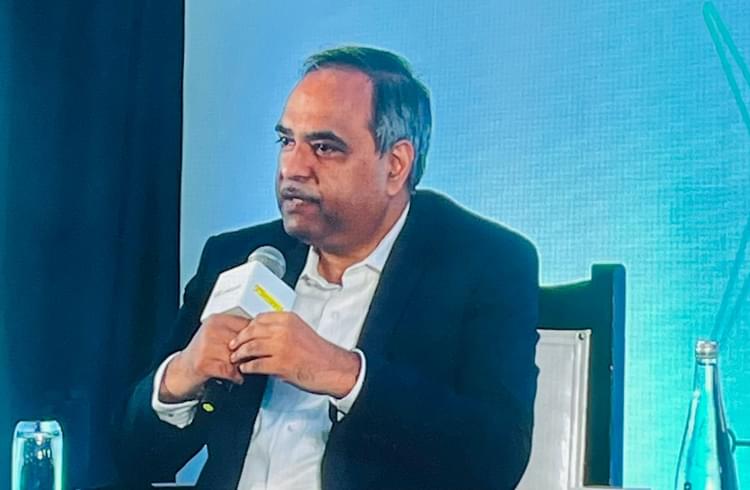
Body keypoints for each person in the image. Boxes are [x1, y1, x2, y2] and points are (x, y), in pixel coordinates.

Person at [115, 45, 539, 490]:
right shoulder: (238, 256)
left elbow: (496, 460)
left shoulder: (484, 264)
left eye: (324, 147)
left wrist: (345, 375)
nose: (292, 168)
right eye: (286, 141)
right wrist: (181, 377)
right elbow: (133, 458)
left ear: (395, 165)